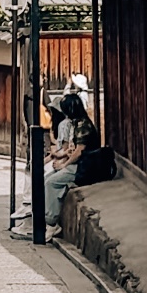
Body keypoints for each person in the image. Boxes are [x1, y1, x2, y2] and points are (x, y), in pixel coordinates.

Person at [46, 92, 99, 233]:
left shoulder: (82, 125)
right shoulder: (77, 123)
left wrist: (64, 164)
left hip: (83, 166)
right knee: (47, 178)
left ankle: (51, 222)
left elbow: (80, 151)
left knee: (51, 182)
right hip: (77, 163)